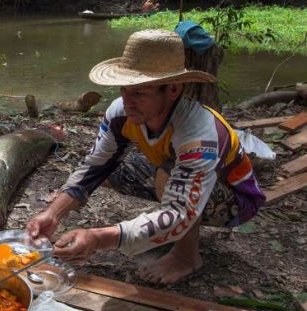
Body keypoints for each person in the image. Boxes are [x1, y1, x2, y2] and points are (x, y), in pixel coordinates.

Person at [27, 29, 265, 284]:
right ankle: (162, 222)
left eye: (140, 93)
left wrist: (99, 238)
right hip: (174, 170)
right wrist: (54, 213)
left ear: (173, 89)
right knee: (111, 171)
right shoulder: (121, 113)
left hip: (234, 199)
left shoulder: (199, 132)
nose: (128, 102)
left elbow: (180, 211)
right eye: (124, 91)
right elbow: (96, 164)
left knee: (167, 176)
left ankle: (187, 256)